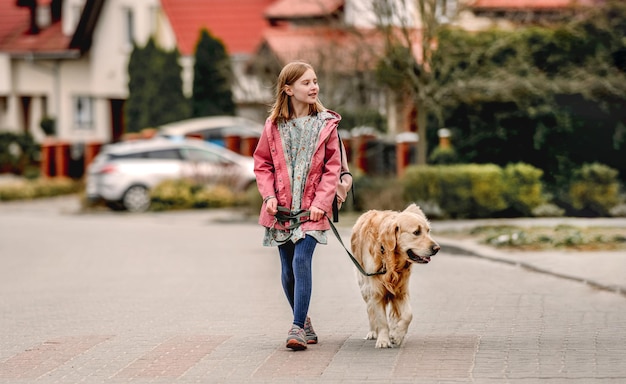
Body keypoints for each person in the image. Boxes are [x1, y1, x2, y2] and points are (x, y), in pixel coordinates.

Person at [253, 61, 342, 351]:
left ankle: (296, 327)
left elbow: (332, 169)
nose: (314, 86)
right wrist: (268, 197)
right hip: (281, 212)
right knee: (287, 270)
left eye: (315, 81)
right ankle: (303, 321)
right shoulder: (273, 126)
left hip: (312, 211)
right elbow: (262, 164)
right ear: (288, 89)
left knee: (301, 261)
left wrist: (321, 203)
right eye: (306, 82)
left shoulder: (327, 124)